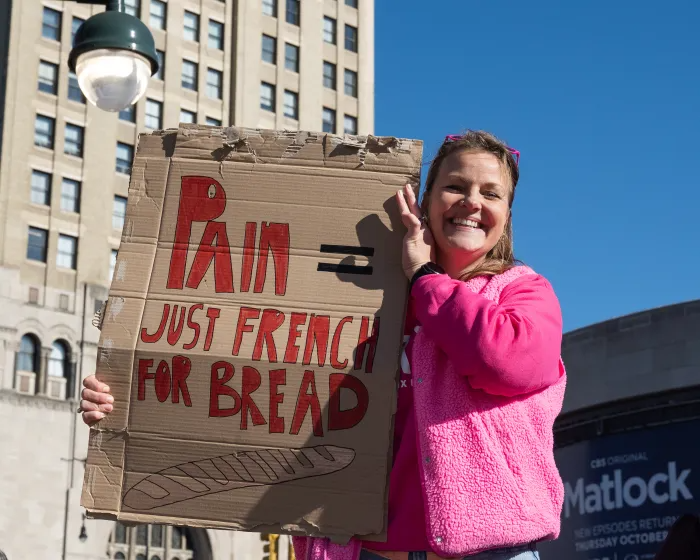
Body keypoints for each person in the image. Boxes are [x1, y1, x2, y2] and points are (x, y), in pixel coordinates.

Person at [80, 130, 567, 560]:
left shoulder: (524, 292)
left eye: (491, 193)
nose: (471, 202)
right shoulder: (371, 301)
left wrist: (425, 276)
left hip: (489, 553)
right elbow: (254, 384)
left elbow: (504, 361)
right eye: (455, 187)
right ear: (425, 201)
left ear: (507, 213)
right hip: (361, 549)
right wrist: (128, 405)